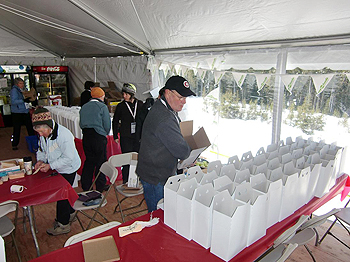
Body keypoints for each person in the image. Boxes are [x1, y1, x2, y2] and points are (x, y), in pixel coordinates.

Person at [136, 76, 196, 212]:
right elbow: (182, 151)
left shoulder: (165, 109)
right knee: (159, 217)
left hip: (157, 171)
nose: (184, 102)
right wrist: (191, 149)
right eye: (181, 97)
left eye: (186, 98)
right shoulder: (164, 118)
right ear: (168, 93)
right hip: (156, 177)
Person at [32, 107, 81, 235]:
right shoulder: (43, 134)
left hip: (68, 168)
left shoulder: (64, 135)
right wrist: (40, 161)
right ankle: (70, 213)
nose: (40, 135)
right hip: (58, 166)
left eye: (42, 132)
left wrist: (50, 165)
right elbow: (42, 150)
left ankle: (63, 224)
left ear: (49, 127)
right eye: (38, 132)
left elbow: (69, 158)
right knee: (65, 192)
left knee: (62, 196)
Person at [79, 87, 110, 192]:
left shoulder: (84, 107)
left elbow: (81, 124)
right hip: (98, 137)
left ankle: (86, 186)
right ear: (101, 96)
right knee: (101, 163)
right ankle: (100, 186)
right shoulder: (102, 107)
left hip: (87, 136)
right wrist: (103, 133)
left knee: (89, 161)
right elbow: (107, 124)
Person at [112, 83, 143, 184]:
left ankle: (137, 179)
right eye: (123, 94)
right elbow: (115, 121)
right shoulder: (121, 106)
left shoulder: (140, 104)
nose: (124, 96)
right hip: (126, 136)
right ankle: (126, 180)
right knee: (126, 158)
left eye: (126, 94)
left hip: (138, 136)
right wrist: (115, 135)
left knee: (138, 158)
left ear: (132, 94)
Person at [10, 77, 35, 150]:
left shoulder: (24, 90)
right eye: (21, 83)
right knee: (17, 129)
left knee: (30, 127)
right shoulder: (14, 91)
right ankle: (14, 144)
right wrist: (23, 100)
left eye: (23, 83)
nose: (22, 85)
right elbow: (13, 101)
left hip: (25, 110)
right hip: (17, 112)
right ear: (17, 84)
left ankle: (34, 142)